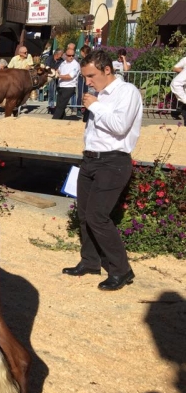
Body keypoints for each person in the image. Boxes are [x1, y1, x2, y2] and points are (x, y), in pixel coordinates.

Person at [62, 50, 142, 291]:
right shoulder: (99, 94)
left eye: (91, 75)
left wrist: (96, 106)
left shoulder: (127, 92)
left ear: (107, 70)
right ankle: (90, 261)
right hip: (90, 160)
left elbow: (120, 127)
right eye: (86, 76)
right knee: (85, 214)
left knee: (98, 216)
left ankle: (122, 270)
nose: (87, 81)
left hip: (113, 161)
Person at [52, 48, 80, 120]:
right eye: (69, 55)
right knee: (59, 104)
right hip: (61, 86)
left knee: (61, 105)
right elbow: (59, 70)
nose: (71, 57)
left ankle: (54, 119)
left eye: (72, 55)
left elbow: (70, 76)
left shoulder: (75, 65)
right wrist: (56, 72)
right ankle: (62, 119)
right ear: (65, 55)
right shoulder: (63, 63)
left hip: (69, 87)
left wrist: (58, 76)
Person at [45, 48, 64, 114]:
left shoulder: (61, 60)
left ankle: (58, 106)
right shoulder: (49, 58)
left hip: (58, 77)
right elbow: (47, 67)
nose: (62, 55)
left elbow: (62, 68)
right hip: (51, 77)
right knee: (51, 92)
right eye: (61, 54)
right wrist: (53, 70)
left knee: (58, 92)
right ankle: (51, 106)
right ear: (57, 54)